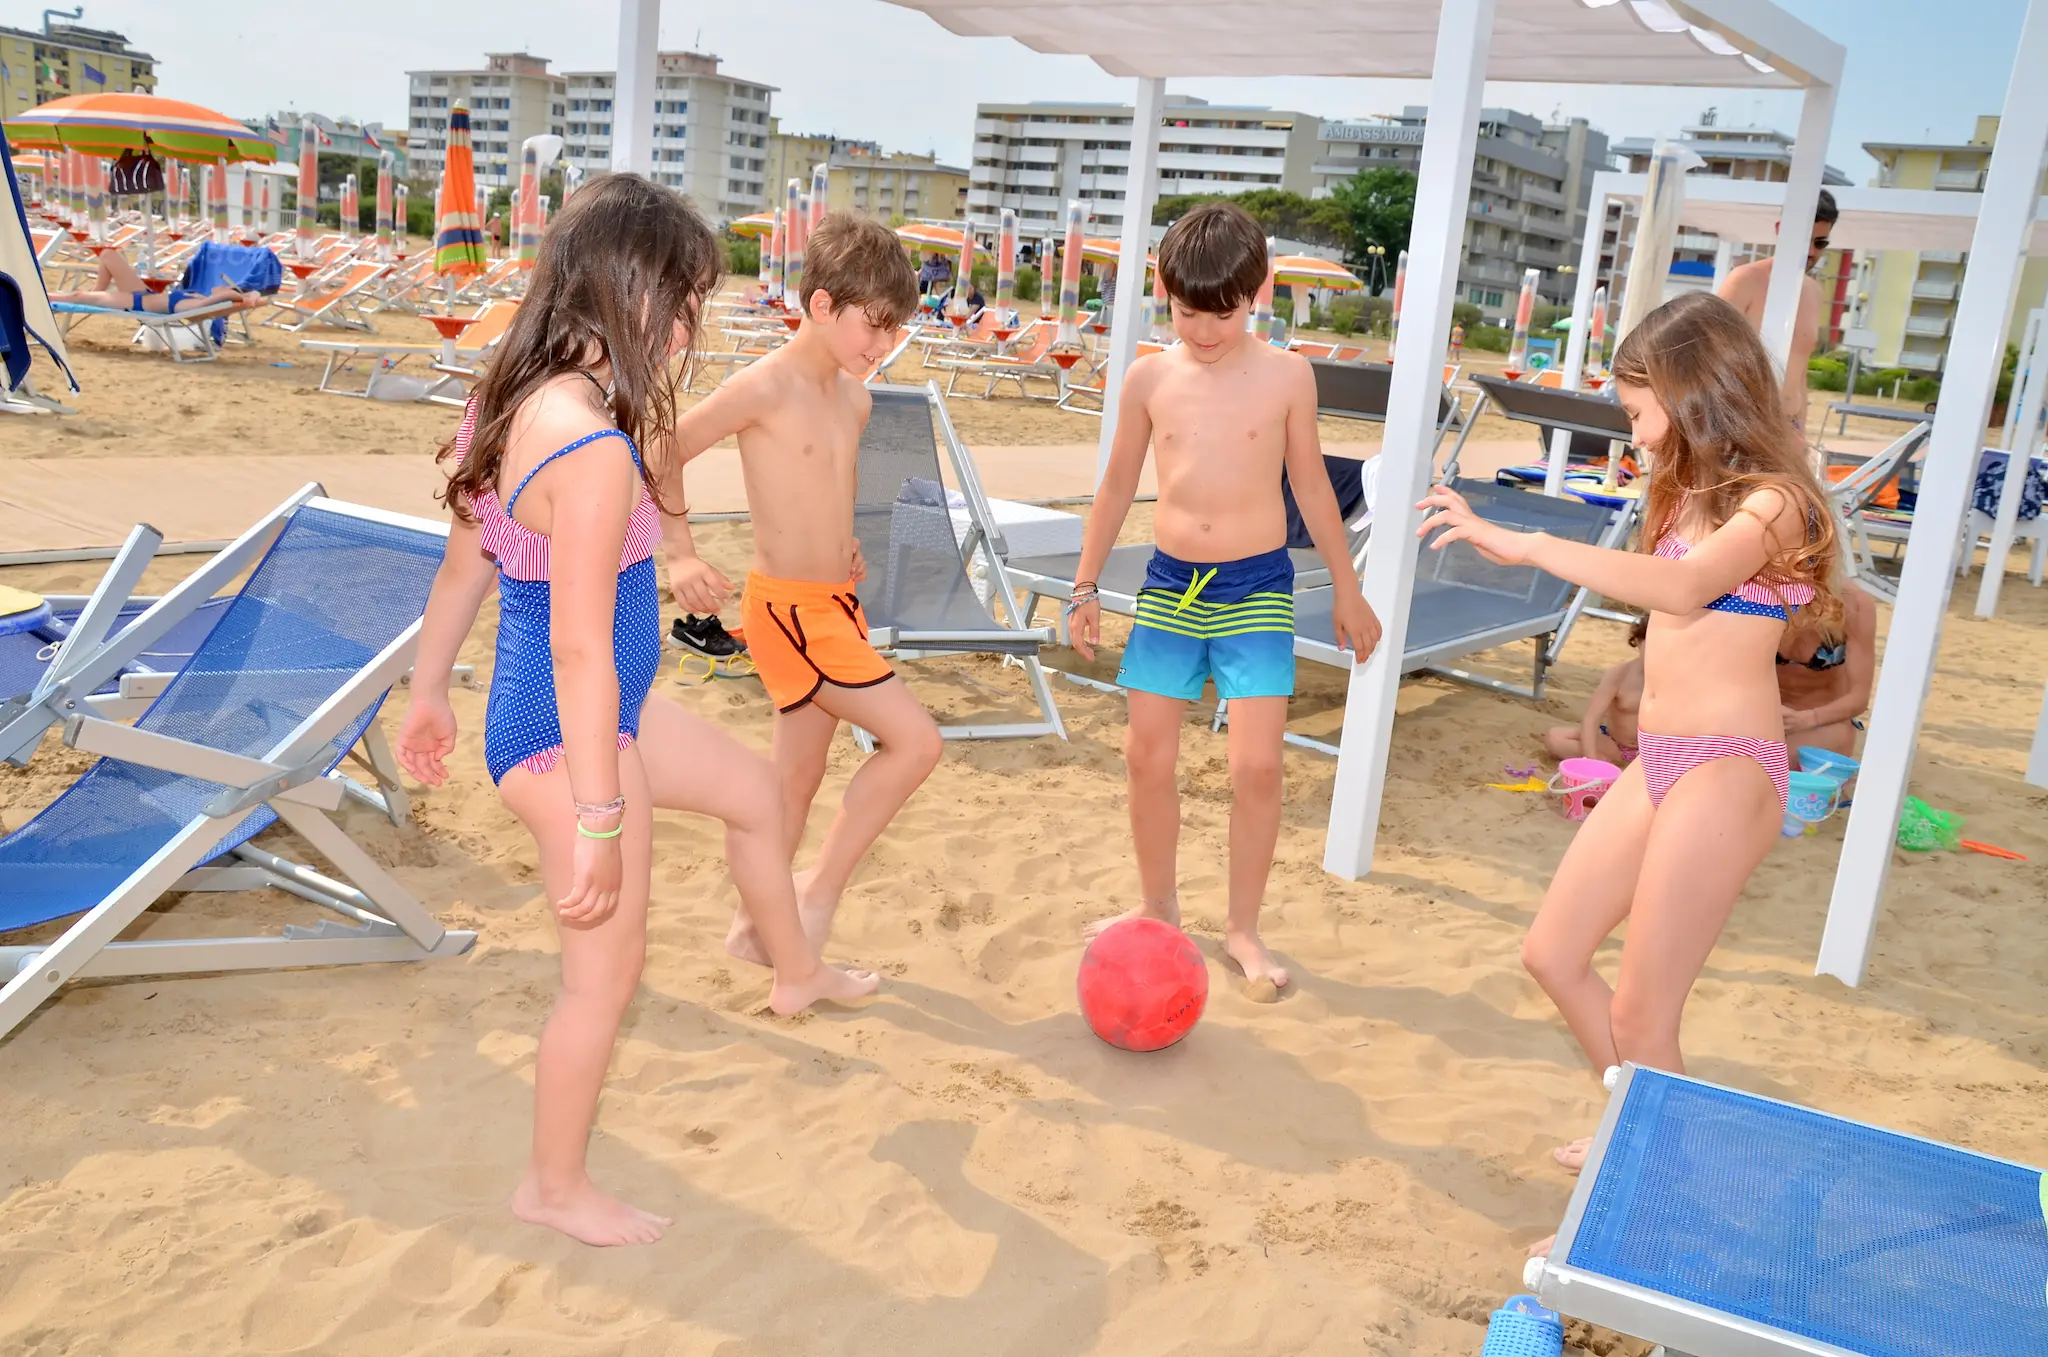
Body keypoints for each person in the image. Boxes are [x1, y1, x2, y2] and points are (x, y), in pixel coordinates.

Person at [393, 174, 877, 1250]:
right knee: (601, 980)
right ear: (636, 298)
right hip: (576, 734)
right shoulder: (593, 449)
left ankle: (794, 971)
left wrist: (428, 690)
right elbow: (574, 648)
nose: (692, 324)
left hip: (604, 708)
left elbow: (464, 567)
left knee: (754, 795)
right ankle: (551, 1186)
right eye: (688, 299)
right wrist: (601, 817)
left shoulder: (516, 400)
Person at [1415, 292, 1841, 1250]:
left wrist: (1521, 540)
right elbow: (1676, 626)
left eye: (1640, 406)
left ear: (1694, 395)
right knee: (1553, 954)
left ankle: (1654, 1203)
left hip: (1730, 768)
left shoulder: (1779, 500)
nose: (1634, 427)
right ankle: (1639, 1134)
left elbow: (1688, 588)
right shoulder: (1685, 493)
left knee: (1647, 1007)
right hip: (1664, 759)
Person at [1067, 201, 1383, 997]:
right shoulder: (1148, 375)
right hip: (1172, 587)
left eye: (1224, 314)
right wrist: (1084, 583)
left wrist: (1350, 589)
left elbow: (1312, 485)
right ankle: (1158, 904)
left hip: (1255, 590)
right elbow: (1114, 488)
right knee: (1146, 757)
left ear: (1258, 293)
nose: (1204, 332)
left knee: (1257, 766)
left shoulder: (1286, 375)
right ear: (1161, 292)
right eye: (1186, 313)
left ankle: (1242, 926)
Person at [655, 211, 941, 966]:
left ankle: (757, 928)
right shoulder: (764, 386)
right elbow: (663, 451)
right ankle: (814, 896)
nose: (881, 348)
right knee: (916, 742)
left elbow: (827, 482)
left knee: (797, 779)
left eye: (893, 332)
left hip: (832, 605)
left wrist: (841, 541)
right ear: (821, 306)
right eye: (872, 327)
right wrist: (678, 555)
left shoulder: (857, 398)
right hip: (786, 612)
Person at [1716, 189, 1838, 433]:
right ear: (1781, 229)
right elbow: (1707, 356)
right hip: (1740, 426)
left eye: (1820, 243)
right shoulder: (1744, 281)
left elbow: (1800, 373)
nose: (1812, 252)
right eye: (1805, 241)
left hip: (1788, 428)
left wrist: (1800, 433)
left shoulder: (1814, 293)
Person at [1778, 581, 1875, 758]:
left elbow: (1859, 697)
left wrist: (1807, 719)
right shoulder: (1757, 593)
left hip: (1824, 719)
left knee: (1780, 758)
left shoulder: (1853, 604)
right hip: (1764, 712)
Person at [1542, 615, 1646, 765]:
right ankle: (1605, 762)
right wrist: (1591, 760)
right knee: (1555, 737)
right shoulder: (1619, 675)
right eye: (1651, 644)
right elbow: (1591, 719)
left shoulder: (1675, 678)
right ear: (1637, 641)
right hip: (1616, 746)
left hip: (1654, 752)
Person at [50, 248, 260, 316]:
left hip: (135, 303)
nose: (219, 284)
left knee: (76, 296)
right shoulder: (198, 297)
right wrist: (249, 296)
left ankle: (40, 297)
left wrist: (240, 296)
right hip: (143, 293)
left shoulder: (193, 304)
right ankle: (94, 295)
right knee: (108, 254)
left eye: (224, 286)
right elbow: (224, 295)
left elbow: (221, 298)